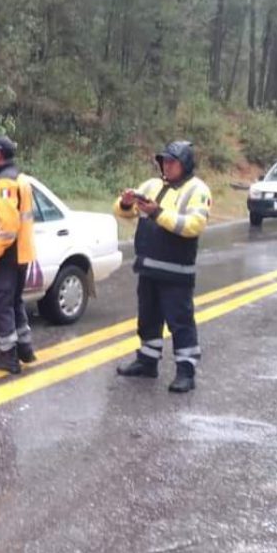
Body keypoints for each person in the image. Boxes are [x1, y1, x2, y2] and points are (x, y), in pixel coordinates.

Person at [113, 141, 211, 393]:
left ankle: (186, 372)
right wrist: (125, 203)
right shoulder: (152, 185)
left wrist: (158, 213)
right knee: (148, 318)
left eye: (172, 162)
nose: (166, 166)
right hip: (147, 267)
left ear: (185, 164)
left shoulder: (197, 190)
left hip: (177, 271)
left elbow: (193, 226)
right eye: (164, 161)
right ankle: (147, 362)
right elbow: (125, 212)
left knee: (180, 322)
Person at [0, 134, 37, 374]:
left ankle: (8, 356)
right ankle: (24, 348)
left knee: (0, 306)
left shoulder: (4, 184)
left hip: (6, 257)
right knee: (13, 303)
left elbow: (9, 227)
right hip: (20, 255)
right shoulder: (20, 179)